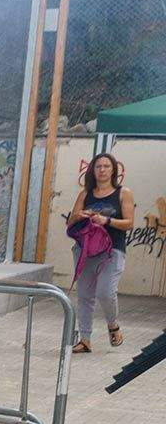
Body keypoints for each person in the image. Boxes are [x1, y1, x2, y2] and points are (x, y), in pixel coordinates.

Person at [66, 151, 134, 353]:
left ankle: (113, 324)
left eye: (106, 166)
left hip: (113, 250)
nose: (102, 170)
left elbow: (129, 223)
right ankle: (85, 339)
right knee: (85, 294)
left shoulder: (123, 193)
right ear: (92, 170)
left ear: (113, 170)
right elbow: (71, 222)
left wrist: (107, 220)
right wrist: (80, 215)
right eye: (98, 166)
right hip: (86, 250)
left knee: (105, 291)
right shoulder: (85, 194)